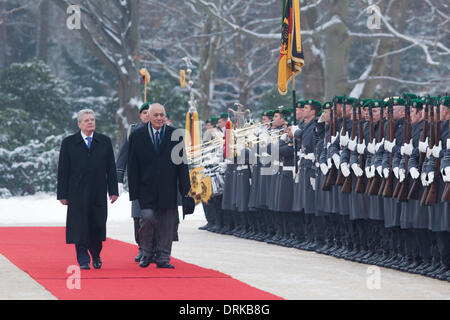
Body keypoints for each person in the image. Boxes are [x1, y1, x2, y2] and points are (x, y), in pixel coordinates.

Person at [128, 103, 191, 269]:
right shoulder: (137, 135)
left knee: (166, 223)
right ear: (148, 116)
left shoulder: (175, 135)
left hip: (168, 187)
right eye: (155, 115)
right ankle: (147, 253)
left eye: (162, 115)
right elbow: (132, 165)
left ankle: (163, 257)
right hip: (145, 188)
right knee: (147, 219)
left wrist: (186, 190)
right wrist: (133, 192)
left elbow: (182, 164)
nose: (159, 118)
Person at [57, 109, 119, 270]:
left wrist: (113, 190)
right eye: (87, 120)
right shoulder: (69, 142)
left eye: (92, 119)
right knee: (79, 225)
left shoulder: (104, 141)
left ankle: (96, 254)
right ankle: (83, 259)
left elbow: (111, 168)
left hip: (98, 191)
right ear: (79, 124)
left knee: (97, 225)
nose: (91, 122)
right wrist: (62, 194)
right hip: (77, 192)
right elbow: (63, 170)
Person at [115, 102, 150, 263]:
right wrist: (118, 179)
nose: (148, 116)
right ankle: (141, 247)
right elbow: (122, 156)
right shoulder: (132, 131)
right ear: (140, 115)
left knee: (155, 217)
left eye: (151, 112)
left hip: (156, 180)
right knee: (138, 216)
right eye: (145, 113)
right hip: (137, 180)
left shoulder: (161, 131)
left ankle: (153, 248)